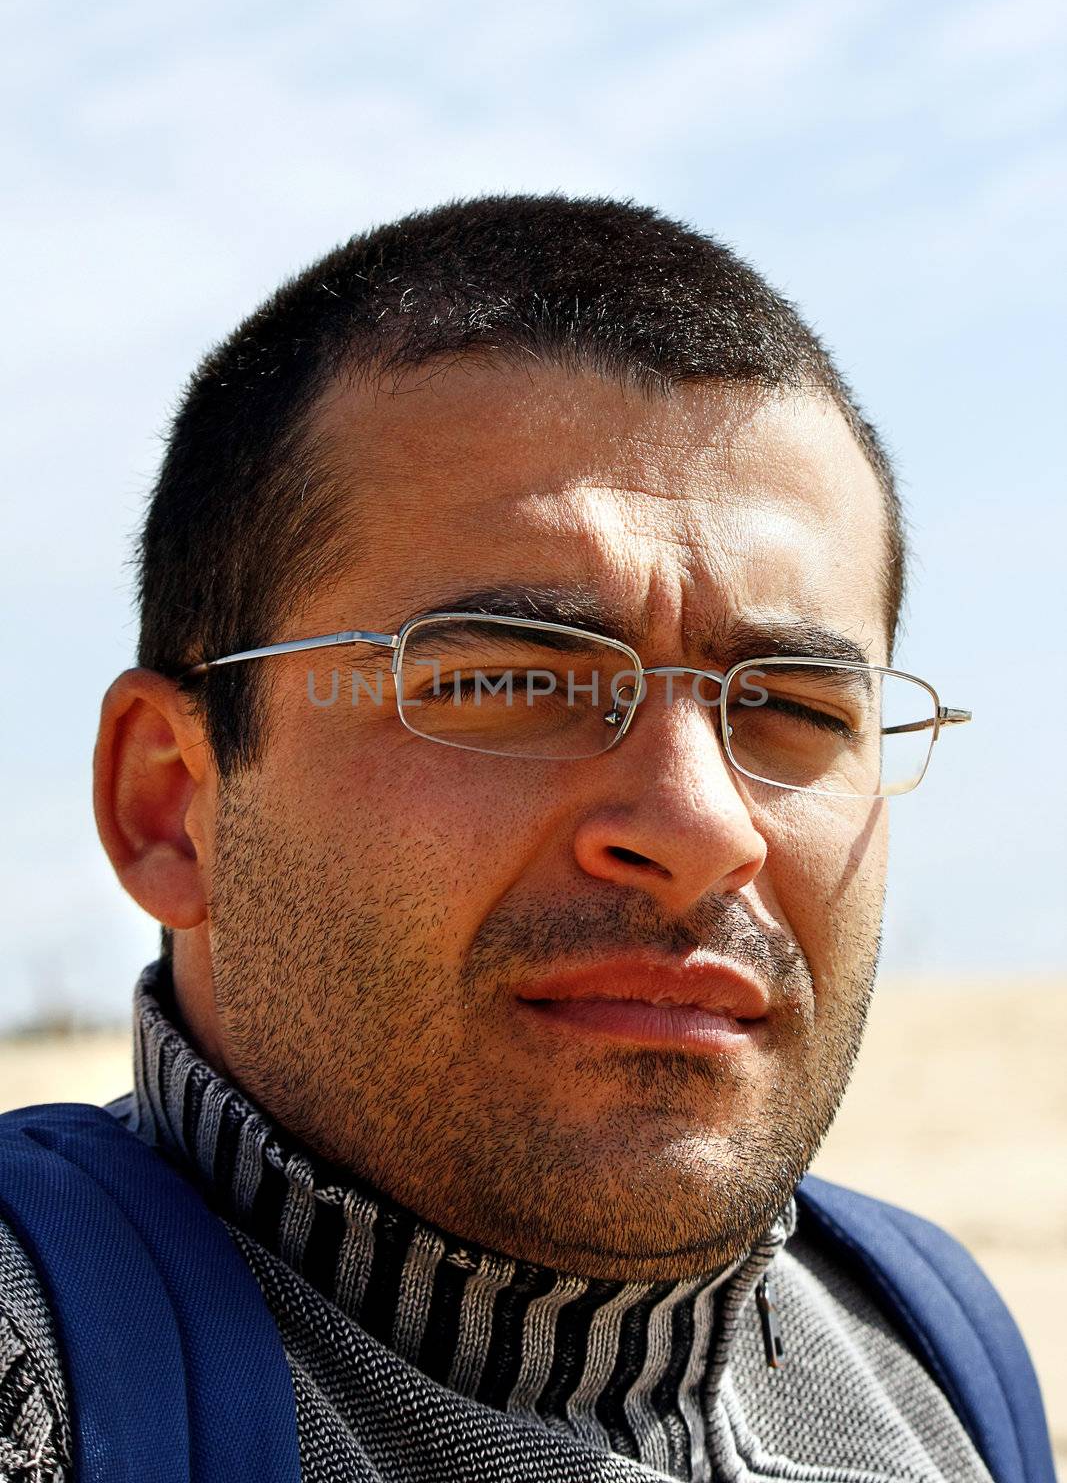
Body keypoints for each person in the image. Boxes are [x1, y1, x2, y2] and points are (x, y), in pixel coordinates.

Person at [0, 195, 1054, 1482]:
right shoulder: (44, 1378)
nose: (700, 827)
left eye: (788, 706)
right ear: (169, 801)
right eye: (509, 682)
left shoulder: (929, 1361)